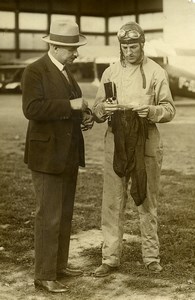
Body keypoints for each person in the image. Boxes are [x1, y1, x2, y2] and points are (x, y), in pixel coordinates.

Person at [92, 21, 176, 277]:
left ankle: (151, 257)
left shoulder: (156, 72)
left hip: (147, 140)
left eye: (134, 46)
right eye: (125, 46)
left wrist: (151, 111)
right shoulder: (110, 73)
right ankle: (110, 258)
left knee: (146, 200)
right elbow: (96, 110)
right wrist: (102, 110)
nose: (129, 51)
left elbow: (169, 109)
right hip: (116, 140)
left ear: (142, 45)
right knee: (112, 201)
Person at [21, 19, 93, 293]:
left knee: (63, 214)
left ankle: (59, 266)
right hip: (47, 157)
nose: (76, 53)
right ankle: (44, 275)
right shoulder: (34, 71)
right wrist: (71, 104)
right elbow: (32, 109)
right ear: (54, 46)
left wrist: (83, 117)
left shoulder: (66, 72)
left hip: (68, 155)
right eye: (71, 48)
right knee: (48, 216)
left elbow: (71, 107)